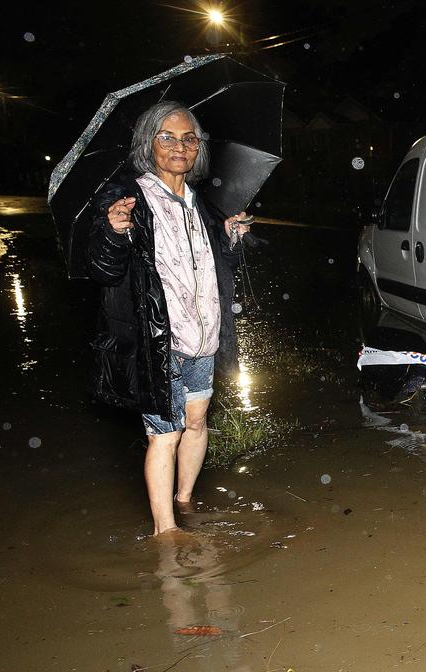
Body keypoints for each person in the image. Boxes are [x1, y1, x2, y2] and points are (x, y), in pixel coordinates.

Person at [86, 101, 252, 536]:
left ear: (198, 148)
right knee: (165, 434)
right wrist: (114, 232)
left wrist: (231, 239)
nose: (180, 146)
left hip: (204, 337)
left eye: (188, 138)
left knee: (196, 422)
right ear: (148, 144)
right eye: (167, 138)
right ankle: (166, 528)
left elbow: (220, 270)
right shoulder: (130, 199)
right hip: (159, 339)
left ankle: (185, 499)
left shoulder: (204, 206)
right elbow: (103, 271)